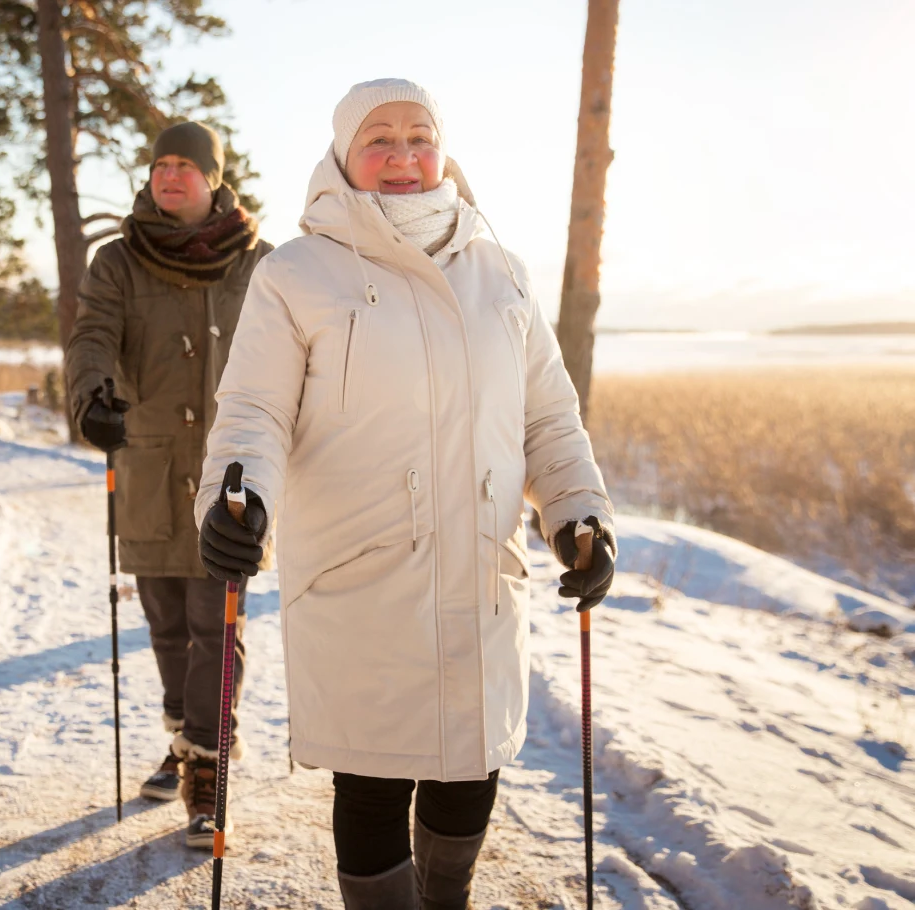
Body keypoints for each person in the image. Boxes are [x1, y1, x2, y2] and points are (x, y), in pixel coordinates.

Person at [195, 80, 616, 908]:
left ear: (443, 151)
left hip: (479, 572)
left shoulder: (503, 274)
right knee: (375, 782)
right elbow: (254, 413)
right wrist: (235, 499)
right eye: (378, 139)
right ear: (344, 157)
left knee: (470, 774)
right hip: (361, 575)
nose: (402, 155)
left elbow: (549, 419)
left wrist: (579, 514)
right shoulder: (298, 273)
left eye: (419, 137)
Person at [65, 120, 274, 849]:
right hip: (150, 461)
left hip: (234, 469)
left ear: (215, 177)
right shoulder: (118, 261)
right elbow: (93, 334)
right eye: (160, 164)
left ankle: (207, 773)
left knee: (215, 623)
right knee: (163, 620)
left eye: (186, 164)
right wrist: (93, 394)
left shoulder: (263, 265)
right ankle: (184, 736)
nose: (169, 175)